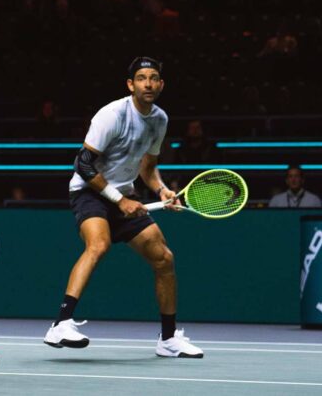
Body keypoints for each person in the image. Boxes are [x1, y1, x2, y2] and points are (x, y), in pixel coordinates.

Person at [43, 57, 203, 358]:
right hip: (89, 191)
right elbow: (83, 164)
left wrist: (161, 190)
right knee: (98, 244)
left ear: (161, 84)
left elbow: (148, 167)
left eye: (153, 78)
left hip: (125, 194)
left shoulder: (160, 120)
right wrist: (120, 201)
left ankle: (169, 339)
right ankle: (61, 324)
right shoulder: (112, 115)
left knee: (164, 258)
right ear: (131, 84)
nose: (148, 84)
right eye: (141, 78)